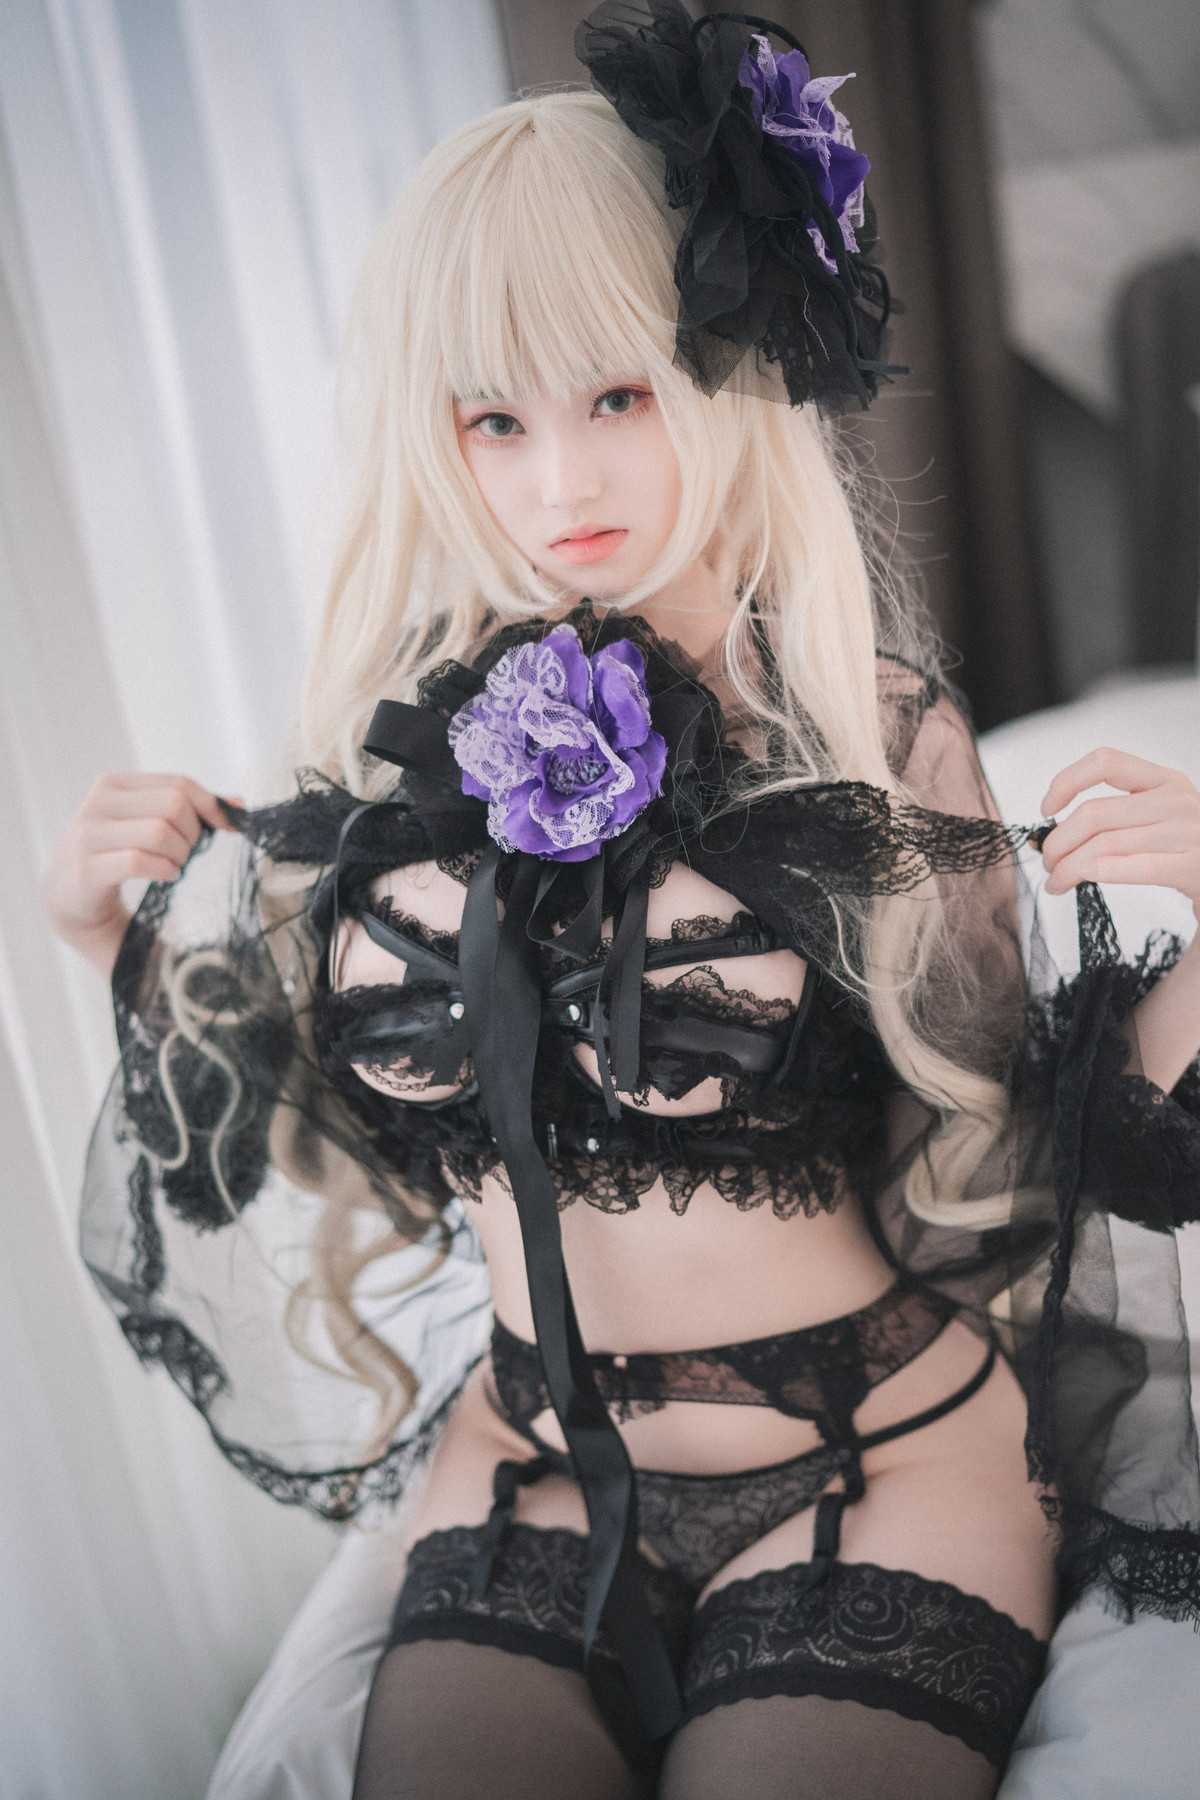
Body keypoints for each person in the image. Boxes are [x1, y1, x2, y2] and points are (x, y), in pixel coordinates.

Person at [43, 6, 1200, 1796]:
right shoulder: (387, 766)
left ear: (722, 377)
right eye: (494, 419)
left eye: (618, 396)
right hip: (529, 1465)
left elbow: (1037, 1144)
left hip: (879, 1450)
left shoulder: (869, 738)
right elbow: (334, 1151)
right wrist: (114, 945)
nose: (560, 481)